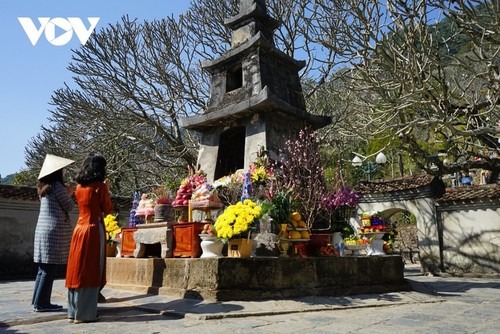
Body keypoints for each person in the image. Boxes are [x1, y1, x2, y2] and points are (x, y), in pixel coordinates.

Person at [65, 154, 113, 324]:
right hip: (93, 229)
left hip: (79, 229)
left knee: (76, 268)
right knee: (92, 267)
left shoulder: (78, 187)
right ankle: (85, 314)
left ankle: (73, 312)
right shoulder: (100, 186)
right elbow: (107, 208)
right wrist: (107, 188)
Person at [32, 154, 76, 312]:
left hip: (43, 230)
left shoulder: (43, 188)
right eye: (63, 169)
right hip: (53, 232)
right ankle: (42, 304)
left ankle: (37, 302)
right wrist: (70, 192)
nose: (65, 172)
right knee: (49, 269)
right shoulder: (57, 186)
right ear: (57, 171)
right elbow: (69, 206)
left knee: (43, 269)